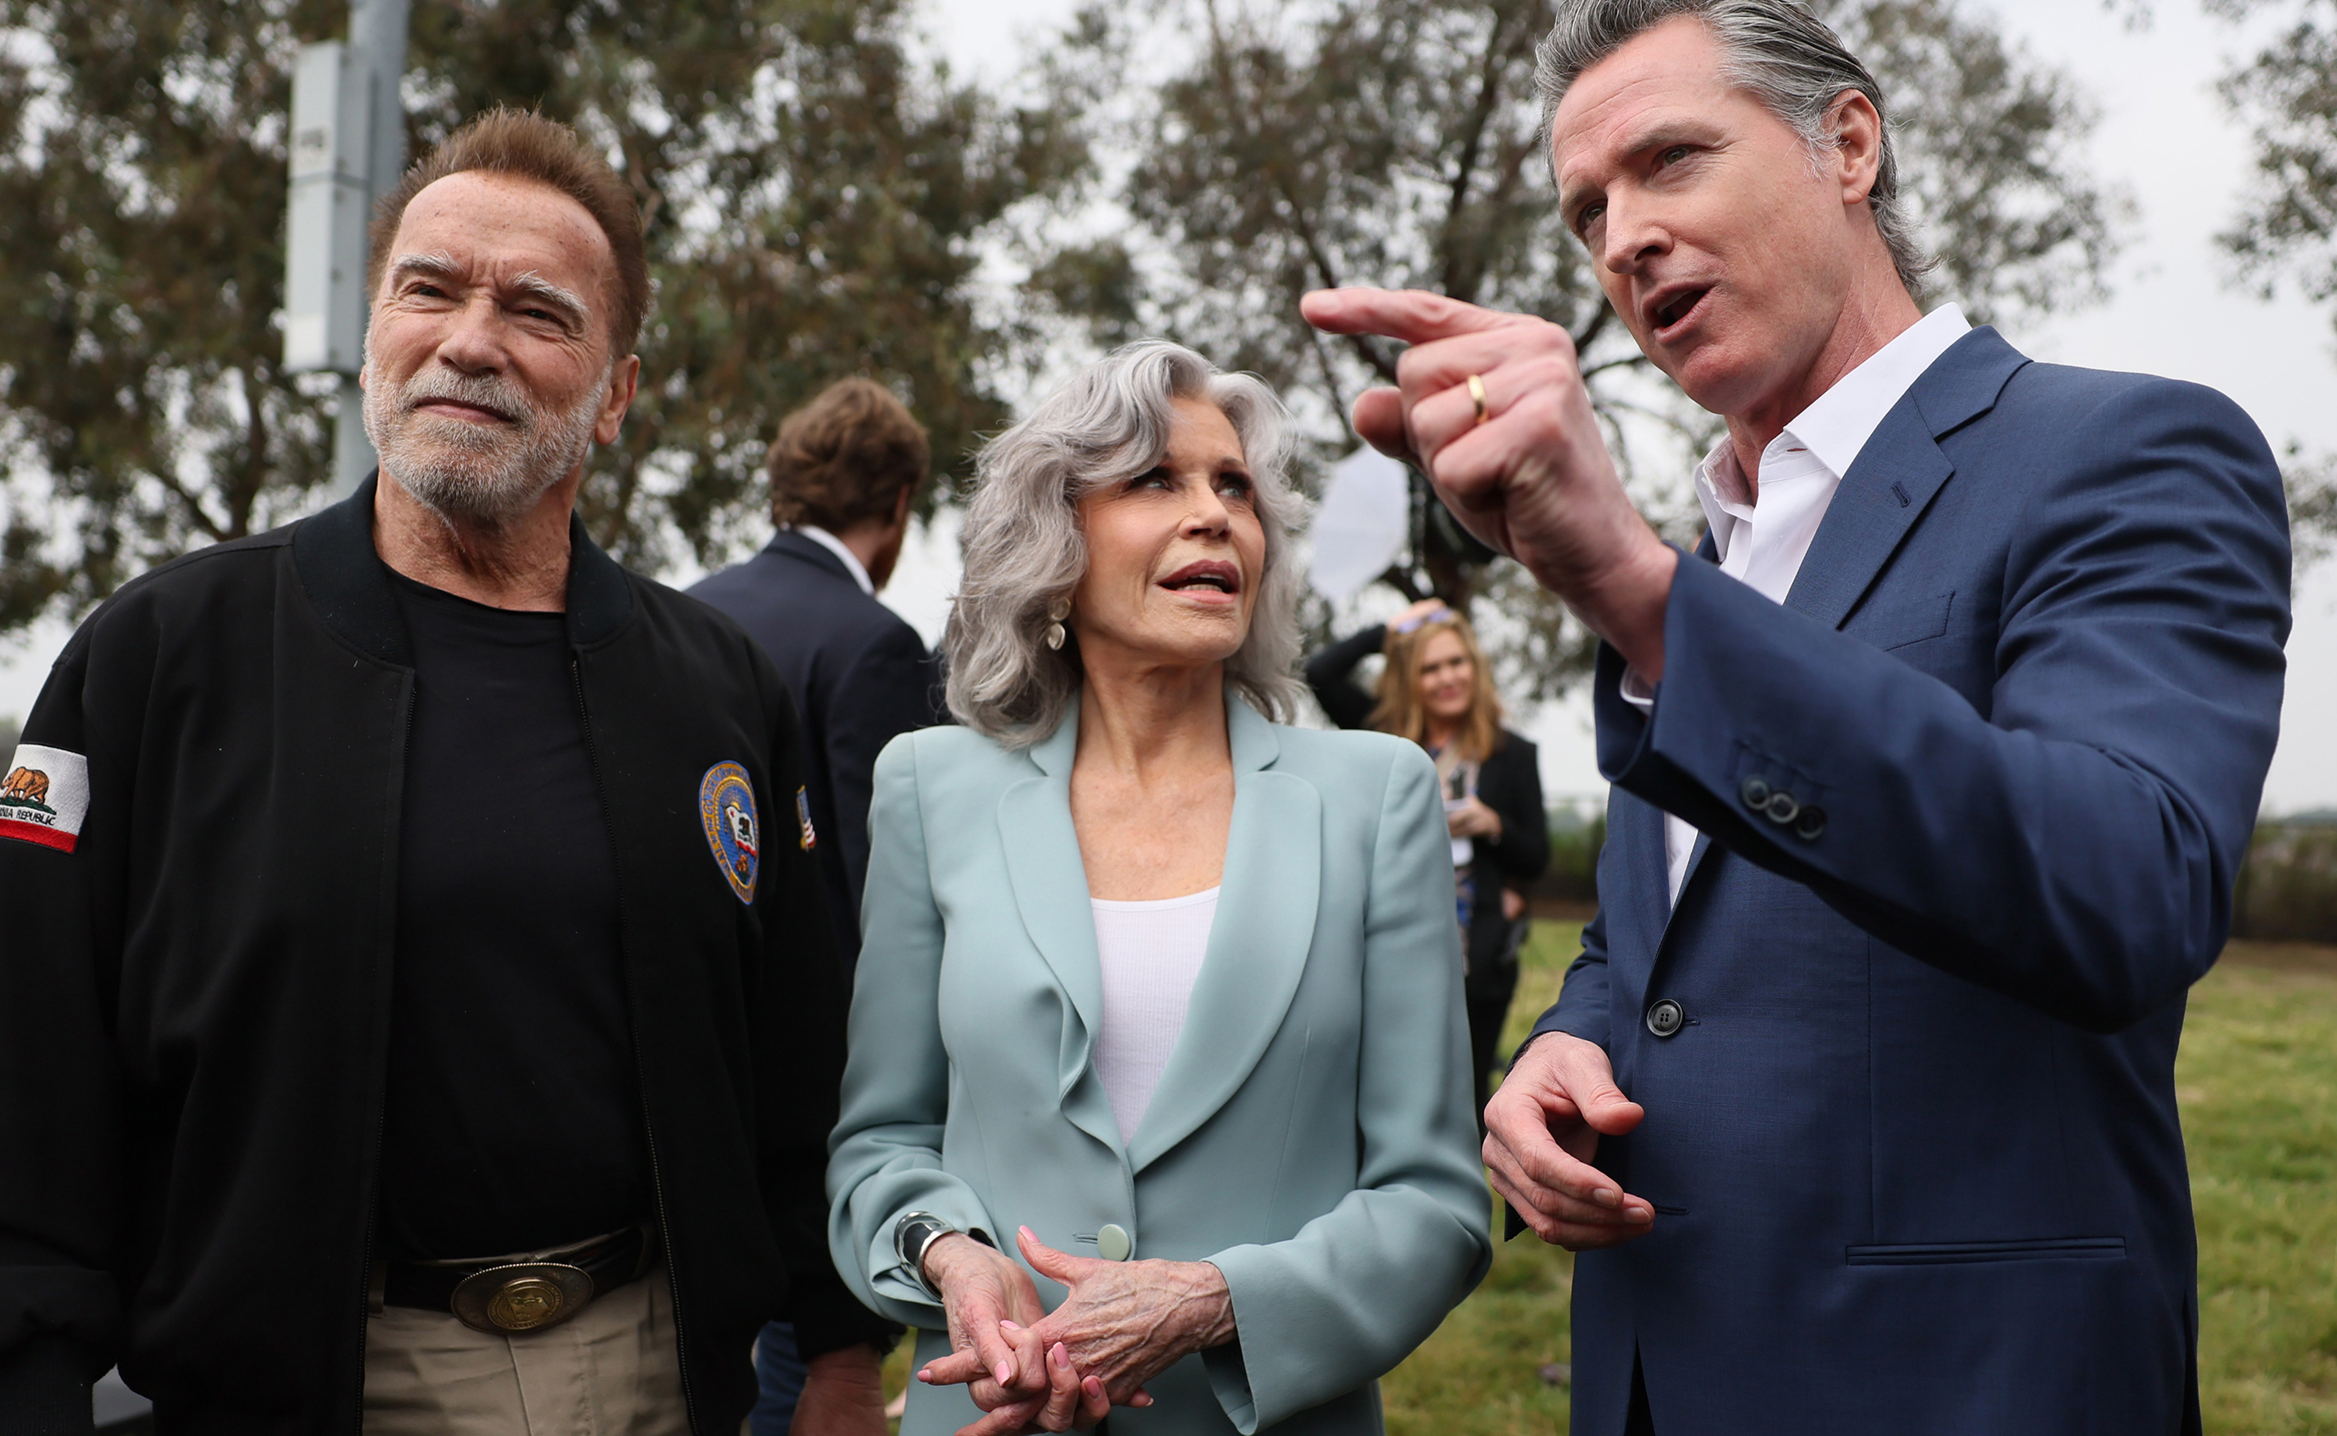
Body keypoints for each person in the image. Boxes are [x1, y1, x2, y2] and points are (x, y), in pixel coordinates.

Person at [1302, 0, 2289, 1436]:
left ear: (1847, 144)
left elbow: (2124, 887)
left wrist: (1636, 594)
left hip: (1954, 1384)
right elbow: (1680, 934)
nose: (1626, 235)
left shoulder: (2124, 451)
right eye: (1588, 211)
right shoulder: (1707, 554)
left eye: (1670, 159)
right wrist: (1563, 1045)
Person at [0, 109, 890, 1436]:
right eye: (430, 289)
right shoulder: (160, 659)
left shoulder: (717, 688)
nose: (470, 340)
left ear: (616, 392)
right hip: (284, 1385)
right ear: (375, 325)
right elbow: (33, 1072)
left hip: (649, 1379)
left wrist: (833, 1355)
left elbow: (797, 1065)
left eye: (537, 310)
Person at [827, 342, 1492, 1436]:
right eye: (1154, 480)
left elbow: (1438, 1203)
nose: (1214, 514)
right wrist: (954, 1259)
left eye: (1234, 485)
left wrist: (1216, 1300)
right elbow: (879, 1146)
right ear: (1053, 539)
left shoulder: (1376, 796)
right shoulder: (927, 788)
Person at [691, 382, 939, 1429]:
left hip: (690, 1070)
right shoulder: (872, 642)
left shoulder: (686, 612)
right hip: (813, 1089)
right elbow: (879, 893)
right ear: (898, 503)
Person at [1304, 598, 1548, 1109]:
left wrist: (1493, 825)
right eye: (1429, 668)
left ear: (1475, 667)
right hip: (1391, 937)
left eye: (1456, 662)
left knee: (1470, 1088)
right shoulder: (1386, 737)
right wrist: (1387, 632)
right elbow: (1321, 672)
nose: (1446, 678)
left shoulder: (1512, 752)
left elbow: (1536, 857)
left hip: (1476, 949)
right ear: (1409, 678)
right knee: (1388, 1085)